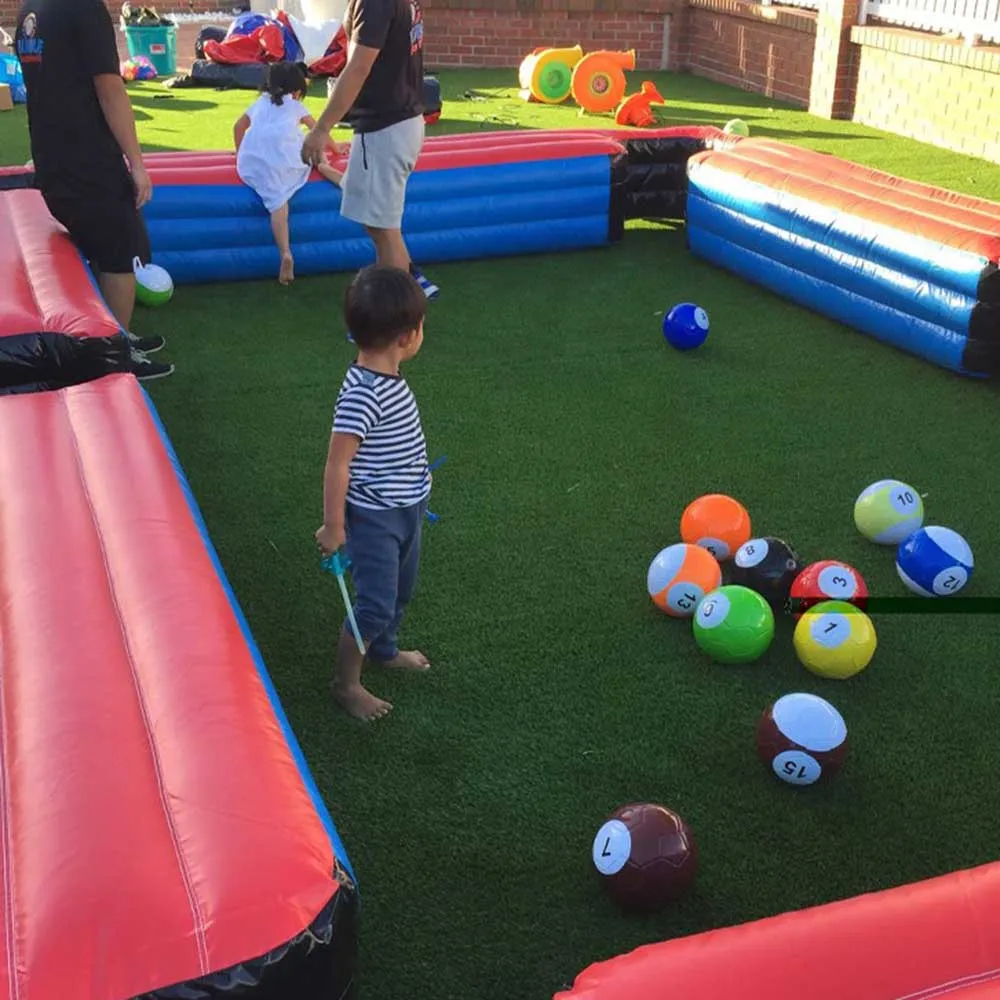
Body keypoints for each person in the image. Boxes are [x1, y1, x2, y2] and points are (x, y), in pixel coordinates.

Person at [14, 0, 173, 380]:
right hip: (87, 161)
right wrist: (136, 163)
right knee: (121, 252)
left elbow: (45, 85)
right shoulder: (83, 7)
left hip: (54, 159)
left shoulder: (30, 9)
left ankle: (116, 337)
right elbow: (110, 89)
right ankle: (111, 358)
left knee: (105, 247)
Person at [315, 265, 433, 722]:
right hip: (375, 518)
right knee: (374, 603)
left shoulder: (387, 377)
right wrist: (334, 525)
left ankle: (383, 650)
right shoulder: (362, 394)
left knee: (401, 591)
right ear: (407, 336)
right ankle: (346, 684)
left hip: (407, 508)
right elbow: (337, 462)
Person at [300, 0, 439, 299]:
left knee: (383, 229)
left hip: (387, 126)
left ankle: (394, 321)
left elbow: (359, 66)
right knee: (379, 227)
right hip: (398, 122)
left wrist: (322, 128)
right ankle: (409, 290)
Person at [234, 61, 346, 285]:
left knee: (277, 202)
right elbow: (318, 130)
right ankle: (322, 164)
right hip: (285, 156)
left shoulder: (260, 103)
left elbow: (238, 127)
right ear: (296, 91)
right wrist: (335, 148)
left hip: (254, 158)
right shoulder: (295, 106)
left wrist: (240, 154)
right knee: (308, 146)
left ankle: (285, 252)